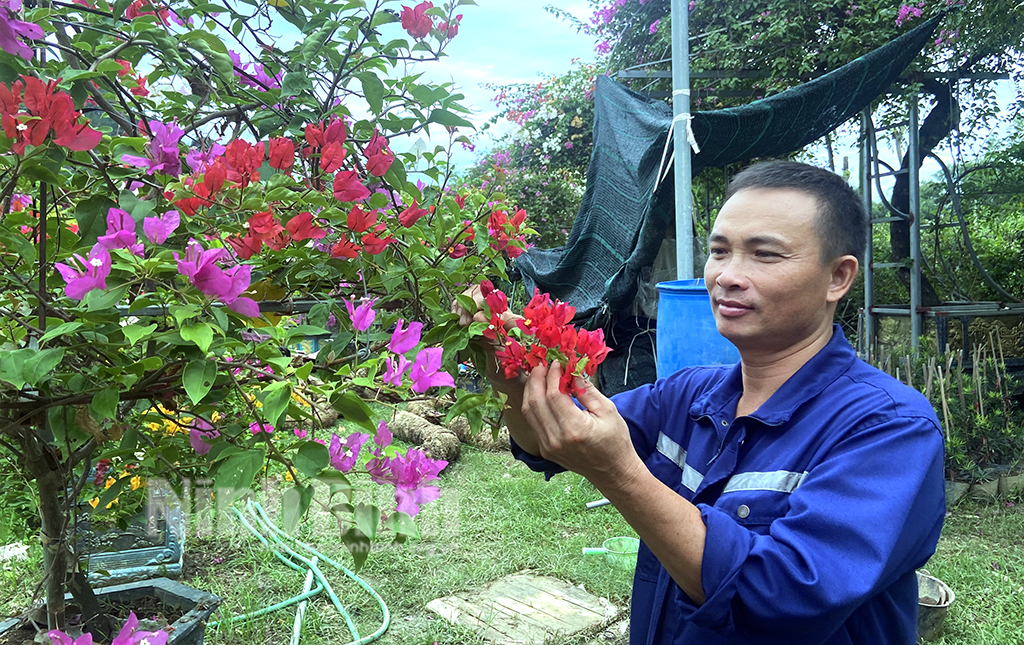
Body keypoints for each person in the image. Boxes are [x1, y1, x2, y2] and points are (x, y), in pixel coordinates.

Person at [455, 160, 946, 645]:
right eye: (719, 251)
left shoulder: (890, 429)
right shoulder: (688, 394)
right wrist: (504, 366)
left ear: (838, 278)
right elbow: (548, 440)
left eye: (765, 255)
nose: (728, 275)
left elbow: (781, 599)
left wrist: (621, 474)